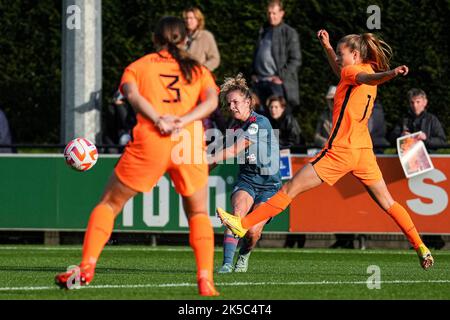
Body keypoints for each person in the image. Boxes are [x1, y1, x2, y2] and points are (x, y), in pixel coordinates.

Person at [218, 29, 435, 270]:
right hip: (364, 152)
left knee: (290, 189)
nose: (340, 59)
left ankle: (242, 224)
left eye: (342, 54)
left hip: (340, 151)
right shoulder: (358, 69)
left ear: (354, 54)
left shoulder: (359, 72)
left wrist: (390, 74)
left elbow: (364, 78)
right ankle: (421, 247)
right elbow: (349, 72)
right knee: (389, 203)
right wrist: (328, 47)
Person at [55, 17, 220, 296]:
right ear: (184, 40)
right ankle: (205, 279)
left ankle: (86, 267)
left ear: (155, 40)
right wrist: (183, 119)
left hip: (153, 140)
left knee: (109, 204)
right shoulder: (199, 69)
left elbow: (131, 95)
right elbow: (212, 102)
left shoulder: (139, 66)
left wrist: (159, 119)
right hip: (188, 143)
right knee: (199, 213)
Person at [209, 74, 281, 273]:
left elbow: (232, 151)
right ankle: (225, 264)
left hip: (269, 185)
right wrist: (200, 171)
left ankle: (244, 254)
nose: (232, 106)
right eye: (229, 102)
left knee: (252, 232)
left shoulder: (260, 123)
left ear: (248, 102)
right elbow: (219, 152)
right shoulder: (234, 127)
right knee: (236, 215)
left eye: (235, 102)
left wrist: (205, 160)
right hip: (247, 180)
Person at [389, 88, 447, 250]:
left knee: (429, 207)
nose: (415, 105)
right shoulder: (404, 119)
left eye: (418, 102)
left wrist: (426, 139)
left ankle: (434, 239)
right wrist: (401, 134)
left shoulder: (432, 120)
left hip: (428, 169)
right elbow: (390, 137)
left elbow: (442, 141)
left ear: (425, 102)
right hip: (407, 168)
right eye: (412, 102)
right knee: (411, 207)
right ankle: (417, 239)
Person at [251, 0, 301, 111]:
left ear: (281, 13)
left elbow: (296, 60)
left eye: (274, 13)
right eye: (269, 13)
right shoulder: (263, 30)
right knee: (258, 120)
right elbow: (256, 54)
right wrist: (253, 73)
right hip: (259, 82)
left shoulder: (289, 32)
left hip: (276, 84)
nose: (271, 16)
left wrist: (281, 77)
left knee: (276, 119)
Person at [183, 7, 220, 72]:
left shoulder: (206, 36)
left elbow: (215, 59)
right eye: (186, 18)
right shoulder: (181, 36)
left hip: (198, 77)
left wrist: (201, 69)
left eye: (191, 18)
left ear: (198, 19)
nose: (188, 21)